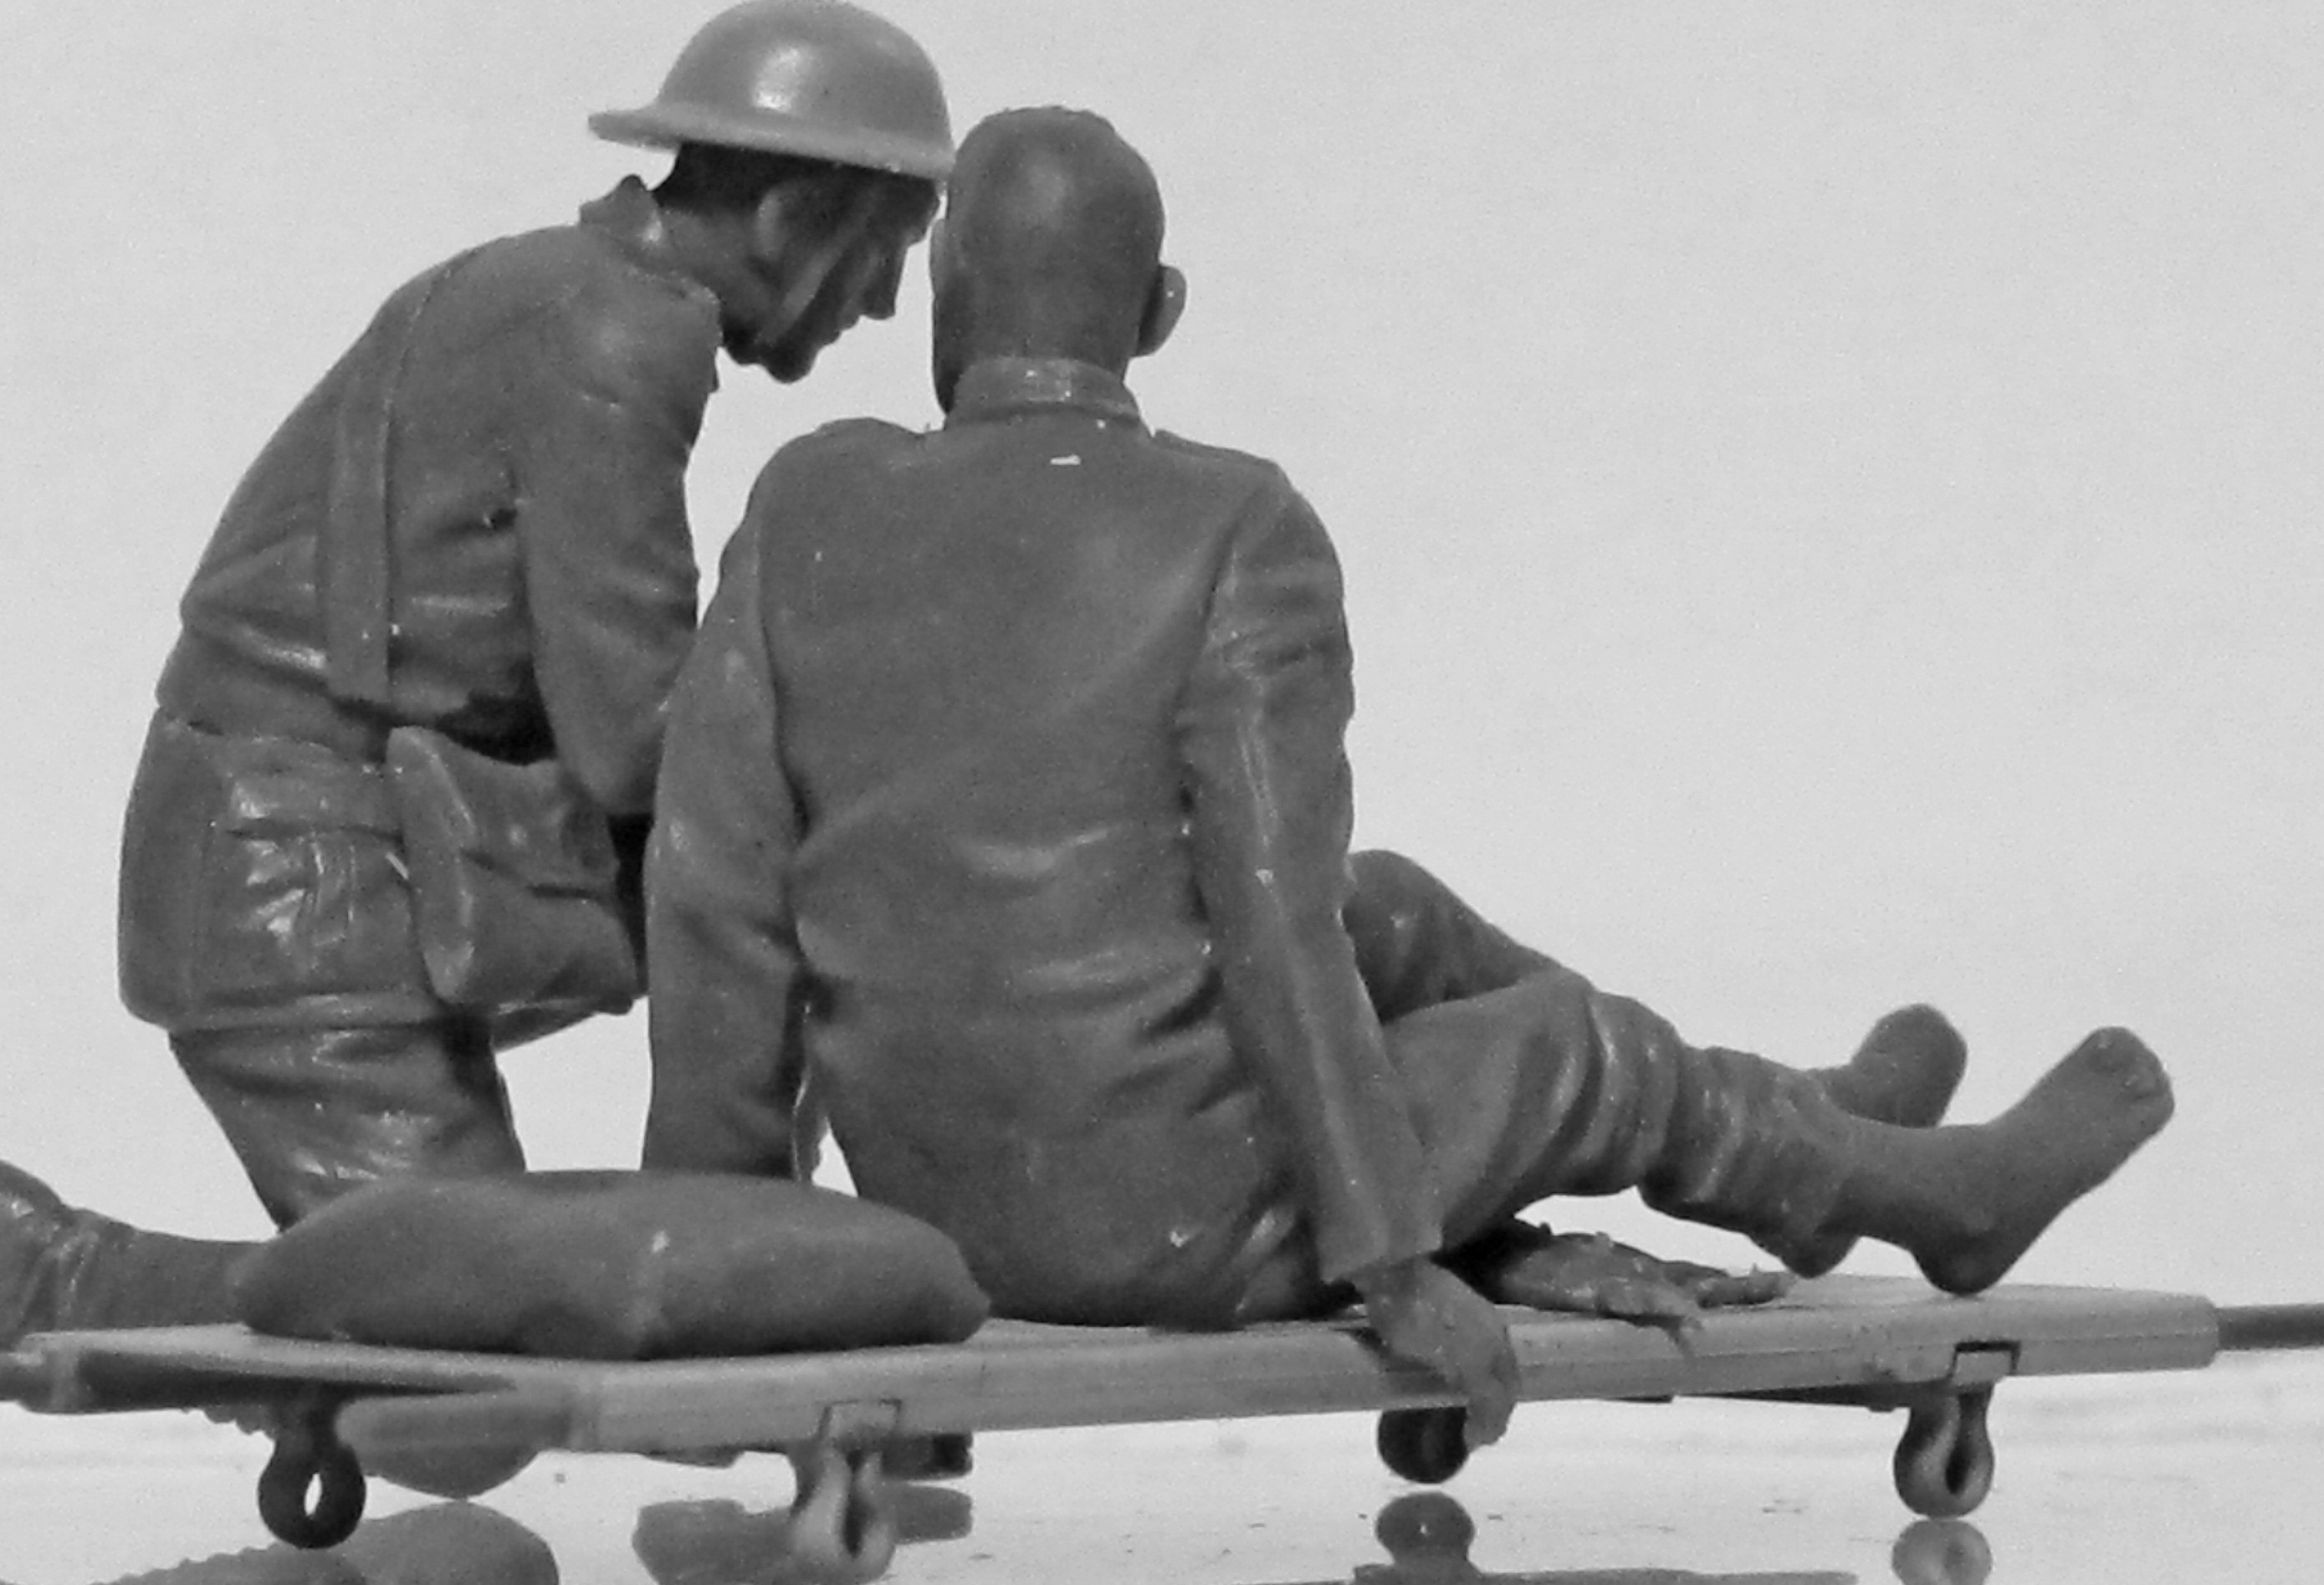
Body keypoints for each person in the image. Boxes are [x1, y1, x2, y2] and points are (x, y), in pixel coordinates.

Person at [639, 106, 2175, 1441]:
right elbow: (1267, 915)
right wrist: (1387, 1259)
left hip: (934, 1208)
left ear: (945, 296)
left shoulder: (807, 504)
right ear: (1159, 313)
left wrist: (733, 1244)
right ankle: (1929, 1198)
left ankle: (1801, 1135)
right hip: (1170, 1226)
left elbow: (716, 894)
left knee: (1396, 913)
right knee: (1578, 1052)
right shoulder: (1233, 528)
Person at [0, 0, 955, 1496]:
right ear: (797, 217)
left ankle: (747, 1316)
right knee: (464, 1374)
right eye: (886, 254)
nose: (878, 306)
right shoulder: (619, 334)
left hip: (356, 845)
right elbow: (635, 742)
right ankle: (30, 1272)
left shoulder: (541, 287)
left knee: (782, 931)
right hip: (297, 875)